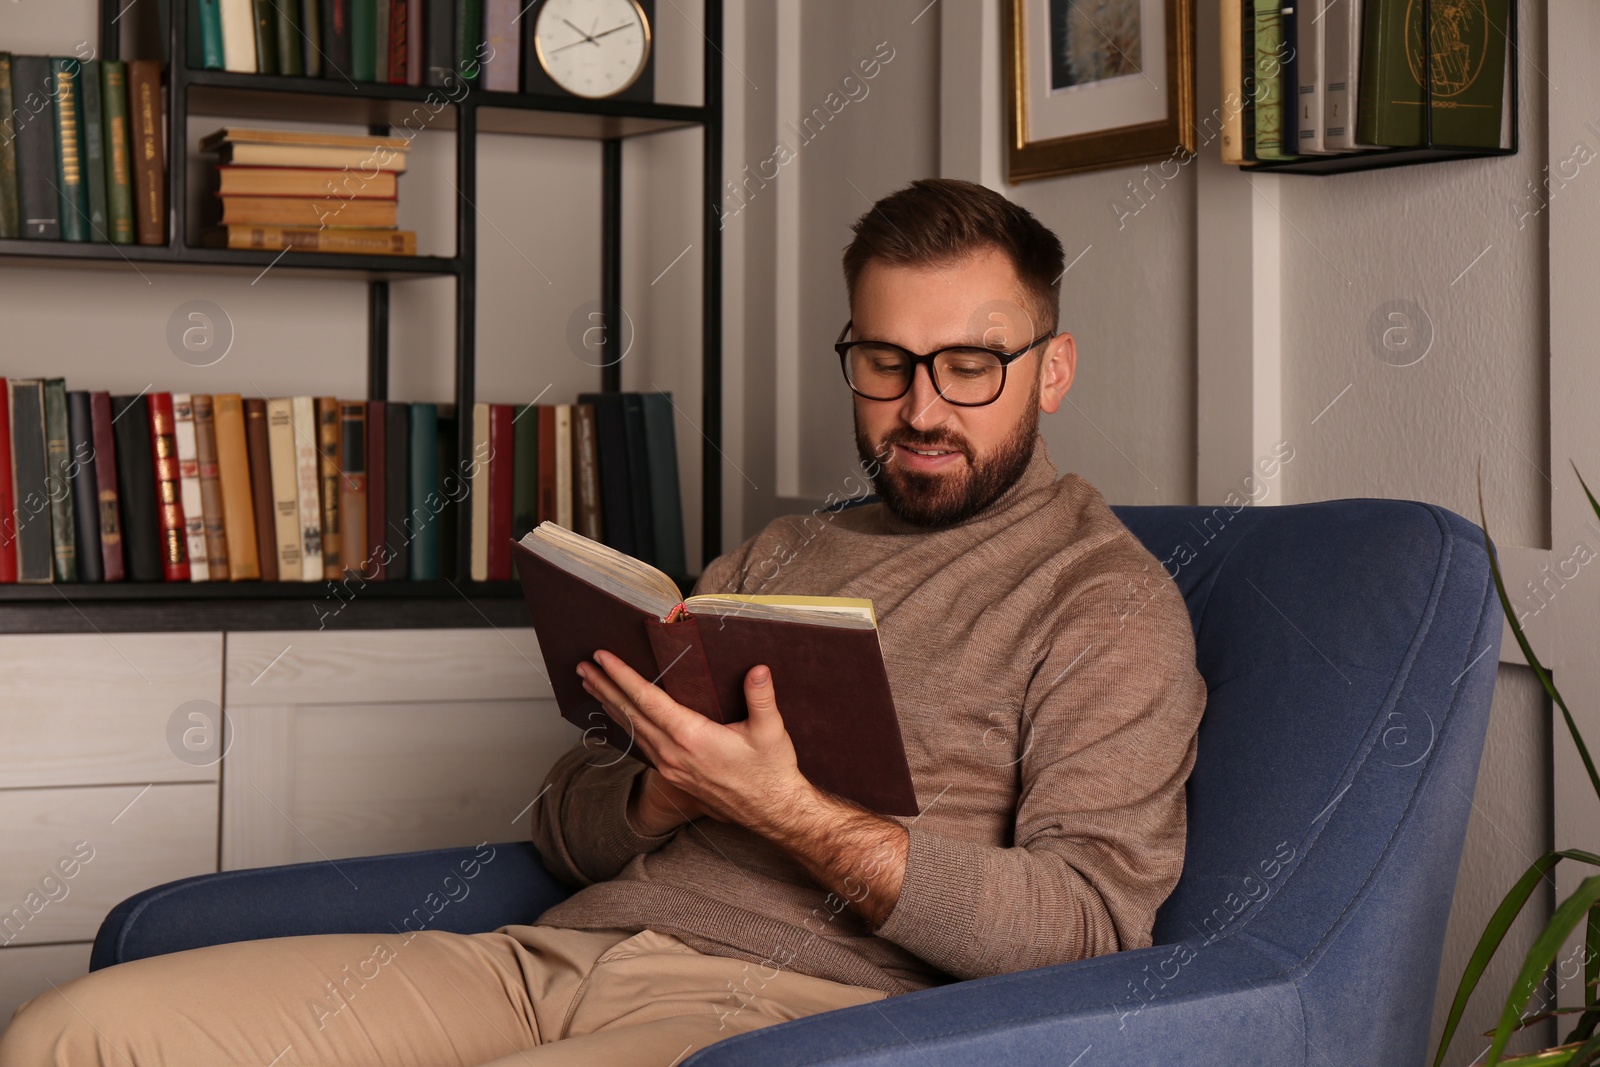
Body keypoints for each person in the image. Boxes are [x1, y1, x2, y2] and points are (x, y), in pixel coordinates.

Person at [0, 177, 1206, 1067]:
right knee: (73, 1034)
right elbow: (569, 820)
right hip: (555, 958)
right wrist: (660, 792)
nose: (920, 407)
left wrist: (783, 808)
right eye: (884, 362)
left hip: (784, 1013)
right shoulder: (781, 551)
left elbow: (1091, 929)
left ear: (1052, 370)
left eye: (969, 366)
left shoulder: (1103, 601)